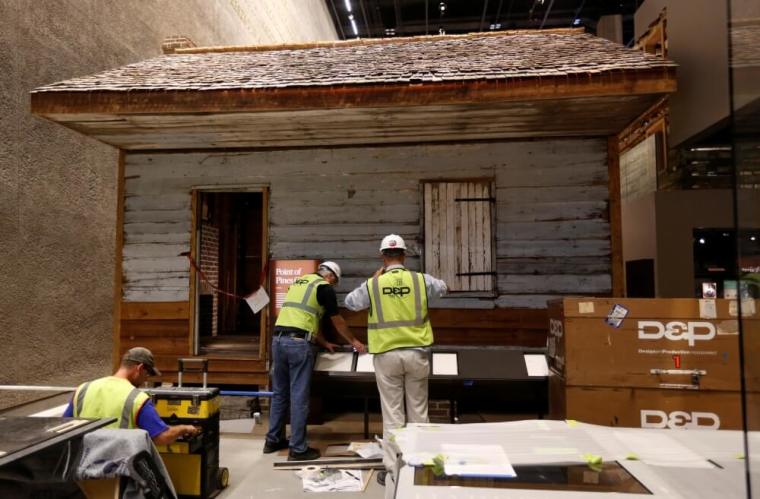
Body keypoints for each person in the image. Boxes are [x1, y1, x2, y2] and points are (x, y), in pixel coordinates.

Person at [344, 234, 447, 486]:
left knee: (392, 416)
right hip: (417, 354)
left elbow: (350, 302)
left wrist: (375, 280)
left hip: (386, 355)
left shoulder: (373, 284)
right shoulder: (420, 280)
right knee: (419, 413)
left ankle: (393, 470)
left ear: (383, 257)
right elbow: (444, 288)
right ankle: (422, 465)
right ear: (404, 255)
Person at [264, 261, 366, 461]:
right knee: (299, 397)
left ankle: (273, 440)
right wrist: (354, 341)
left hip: (278, 341)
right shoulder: (324, 287)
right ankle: (298, 449)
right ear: (330, 276)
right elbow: (337, 320)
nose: (333, 286)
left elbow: (307, 316)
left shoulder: (299, 283)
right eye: (335, 282)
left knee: (279, 394)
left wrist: (322, 341)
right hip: (298, 345)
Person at [63, 347, 198, 445]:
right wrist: (184, 428)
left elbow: (64, 426)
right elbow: (161, 437)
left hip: (81, 467)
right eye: (147, 374)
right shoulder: (137, 399)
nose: (145, 379)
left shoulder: (83, 389)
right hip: (117, 470)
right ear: (139, 369)